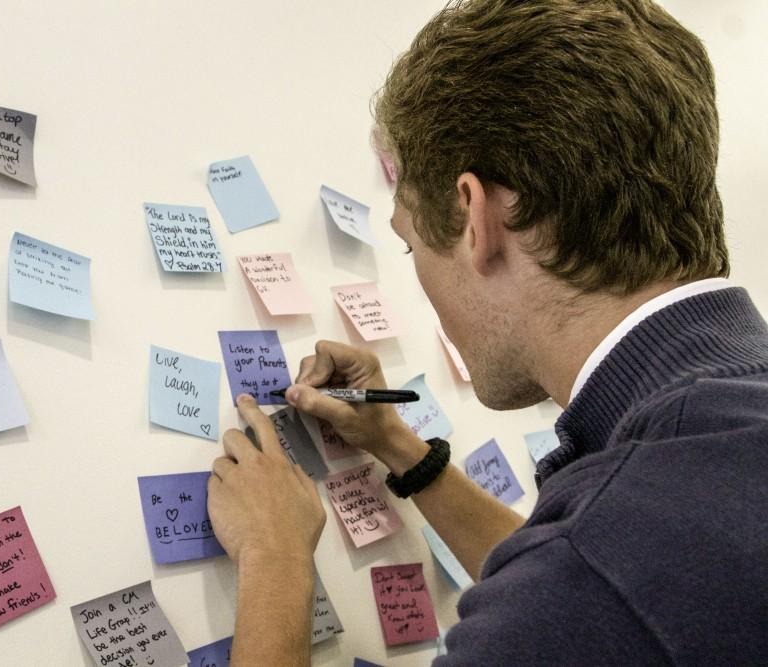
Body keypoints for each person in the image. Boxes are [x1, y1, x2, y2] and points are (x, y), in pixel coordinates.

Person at [207, 0, 768, 664]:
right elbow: (590, 593)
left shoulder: (600, 562)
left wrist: (273, 555)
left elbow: (582, 585)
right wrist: (398, 446)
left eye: (412, 246)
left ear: (477, 219)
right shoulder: (724, 421)